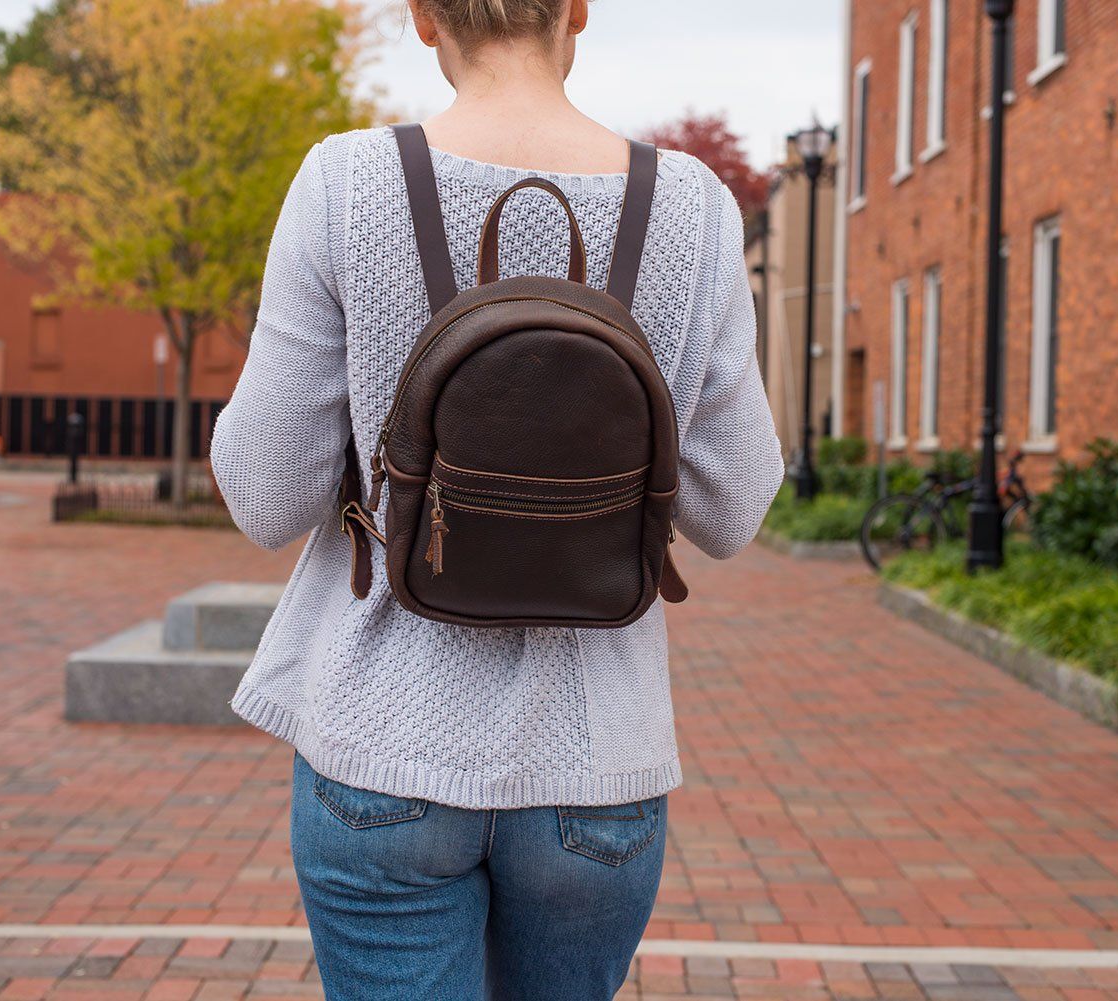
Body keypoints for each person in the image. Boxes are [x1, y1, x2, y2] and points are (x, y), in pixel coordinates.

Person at [210, 1, 783, 997]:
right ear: (578, 11)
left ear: (425, 18)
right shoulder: (688, 206)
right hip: (598, 765)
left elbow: (265, 495)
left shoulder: (345, 182)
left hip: (385, 742)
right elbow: (732, 508)